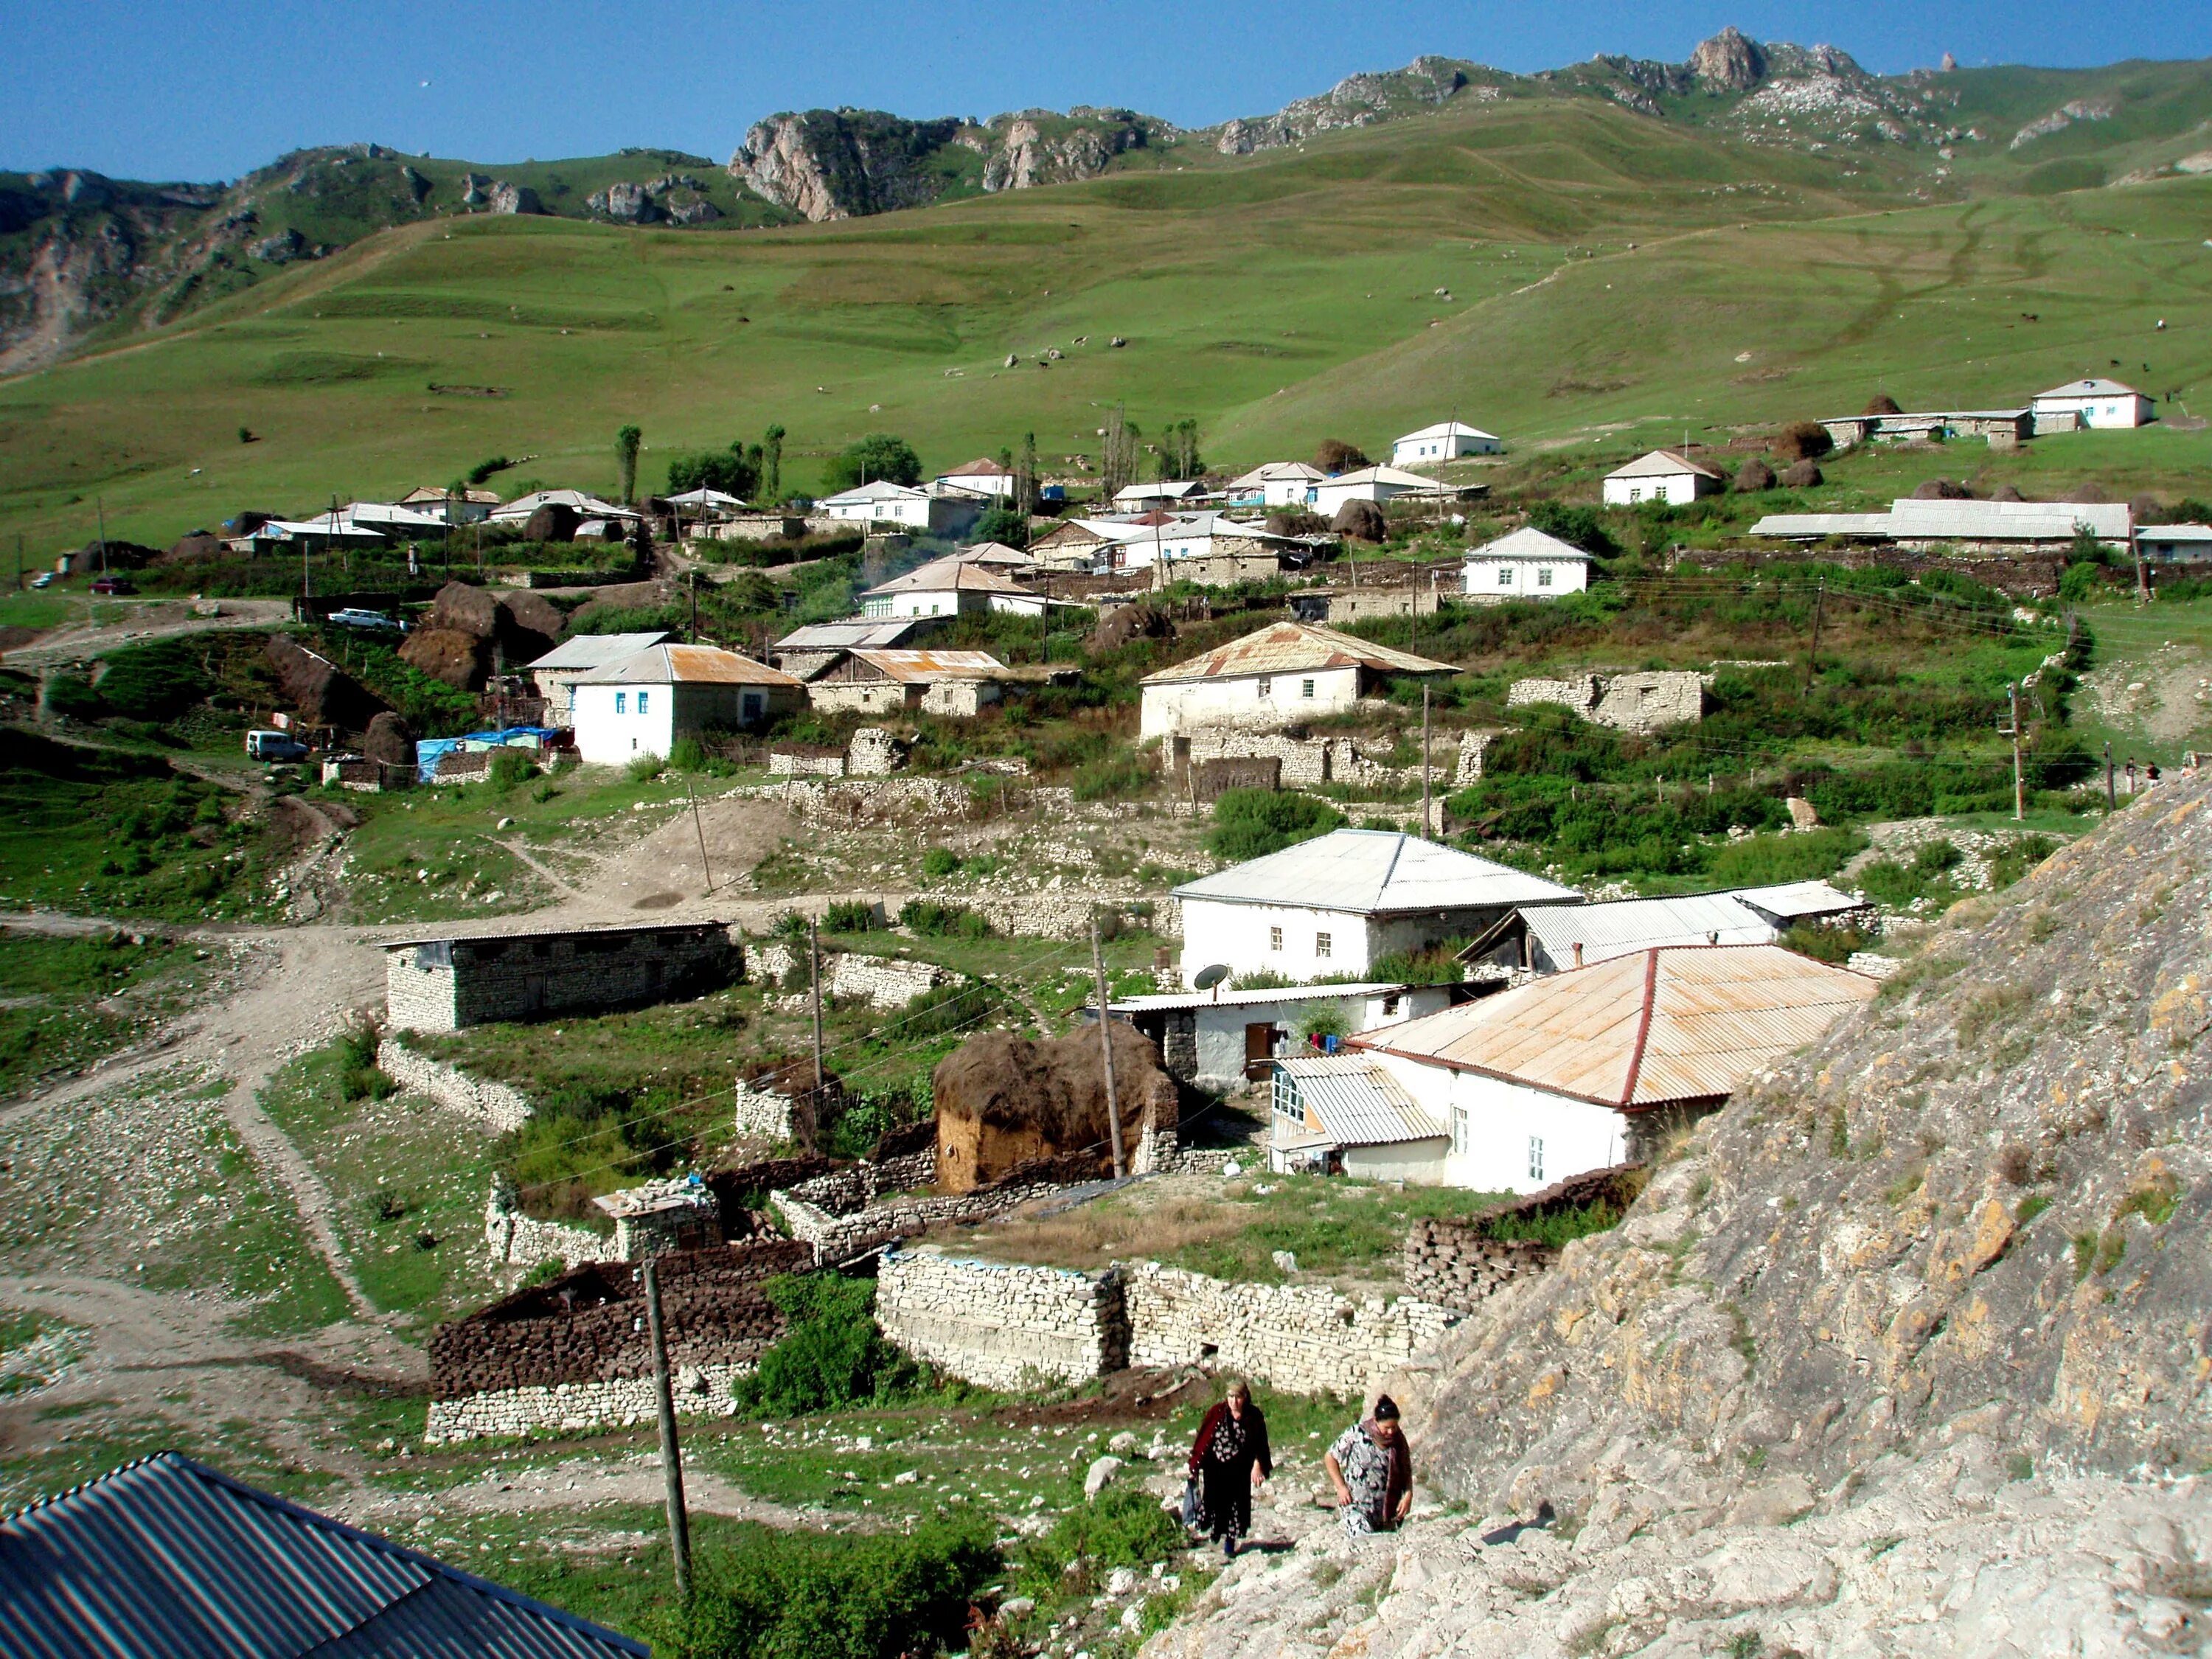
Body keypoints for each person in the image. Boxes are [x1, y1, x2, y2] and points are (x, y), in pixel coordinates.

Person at [1187, 1379, 1270, 1558]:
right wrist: (1195, 1464)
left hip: (1239, 1470)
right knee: (1213, 1502)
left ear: (1245, 1397)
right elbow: (1204, 1438)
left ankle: (1230, 1543)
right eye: (1231, 1396)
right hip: (1215, 1468)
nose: (1234, 1401)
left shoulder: (1253, 1416)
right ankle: (1214, 1533)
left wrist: (1258, 1465)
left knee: (1236, 1507)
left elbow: (1261, 1444)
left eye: (1238, 1397)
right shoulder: (1218, 1412)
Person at [1324, 1394, 1412, 1536]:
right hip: (1356, 1506)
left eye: (1394, 1427)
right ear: (1376, 1421)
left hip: (1386, 1513)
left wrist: (1408, 1495)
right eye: (1386, 1428)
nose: (1390, 1432)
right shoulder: (1356, 1434)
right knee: (1363, 1541)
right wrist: (1341, 1487)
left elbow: (1406, 1470)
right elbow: (1330, 1457)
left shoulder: (1399, 1441)